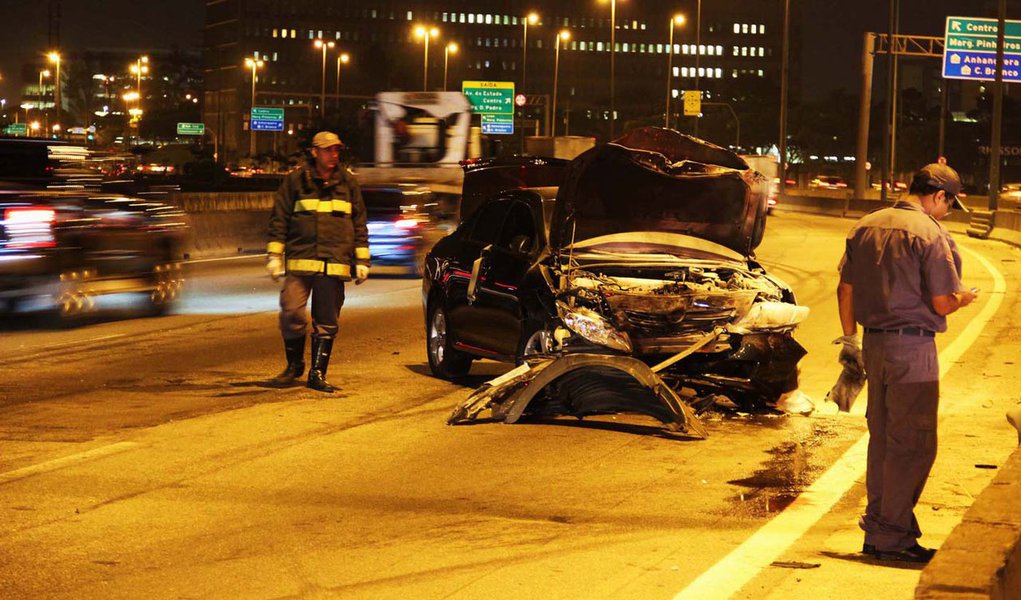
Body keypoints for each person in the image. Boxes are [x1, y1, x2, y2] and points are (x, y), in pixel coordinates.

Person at [836, 163, 978, 563]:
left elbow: (845, 289)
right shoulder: (931, 233)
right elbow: (941, 302)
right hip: (913, 350)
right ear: (938, 196)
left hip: (874, 347)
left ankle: (879, 530)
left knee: (882, 441)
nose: (947, 211)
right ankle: (892, 537)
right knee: (913, 444)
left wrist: (850, 340)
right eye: (950, 203)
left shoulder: (866, 225)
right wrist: (962, 298)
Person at [266, 131, 370, 392]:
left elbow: (359, 223)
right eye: (327, 150)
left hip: (334, 263)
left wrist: (362, 259)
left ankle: (317, 374)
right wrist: (275, 256)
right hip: (301, 260)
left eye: (336, 150)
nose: (333, 155)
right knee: (291, 312)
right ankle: (294, 365)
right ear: (314, 152)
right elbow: (280, 219)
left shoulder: (348, 183)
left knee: (327, 321)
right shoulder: (295, 181)